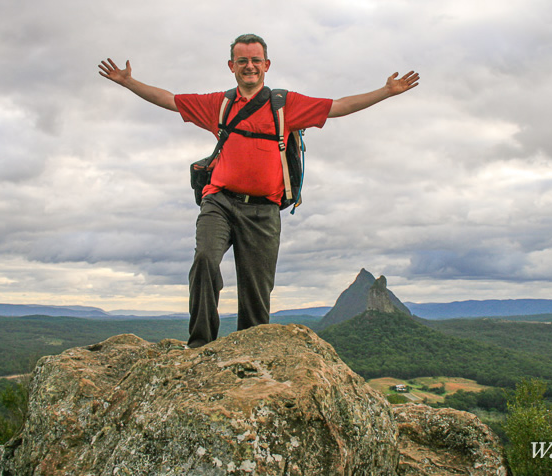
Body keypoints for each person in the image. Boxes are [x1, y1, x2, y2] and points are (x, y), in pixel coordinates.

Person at [99, 34, 419, 348]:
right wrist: (130, 82)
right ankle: (199, 346)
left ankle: (246, 354)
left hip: (264, 210)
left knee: (256, 294)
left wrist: (386, 92)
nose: (249, 66)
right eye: (242, 61)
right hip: (219, 201)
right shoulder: (219, 105)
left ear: (266, 65)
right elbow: (169, 100)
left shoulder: (285, 105)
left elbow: (339, 106)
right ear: (231, 65)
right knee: (205, 261)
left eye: (255, 60)